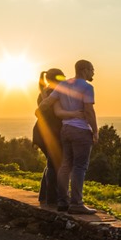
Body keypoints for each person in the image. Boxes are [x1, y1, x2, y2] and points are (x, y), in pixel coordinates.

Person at [39, 60, 98, 215]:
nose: (93, 72)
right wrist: (96, 131)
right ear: (84, 70)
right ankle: (77, 203)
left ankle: (62, 202)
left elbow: (44, 106)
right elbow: (89, 111)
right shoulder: (87, 87)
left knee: (65, 166)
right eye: (92, 69)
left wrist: (43, 99)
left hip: (65, 130)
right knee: (79, 167)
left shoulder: (63, 85)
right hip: (80, 130)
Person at [33, 69, 83, 205]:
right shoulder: (53, 93)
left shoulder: (45, 92)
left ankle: (44, 196)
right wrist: (76, 114)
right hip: (51, 134)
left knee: (52, 164)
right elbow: (57, 114)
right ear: (57, 78)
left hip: (41, 133)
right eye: (62, 77)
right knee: (56, 165)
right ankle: (52, 199)